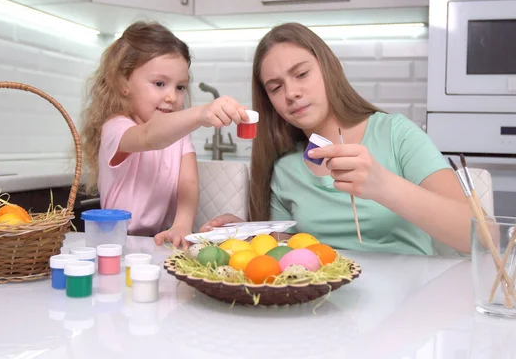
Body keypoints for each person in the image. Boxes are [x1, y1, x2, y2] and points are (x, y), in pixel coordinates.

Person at [201, 22, 471, 255]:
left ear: (328, 69)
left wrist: (384, 185)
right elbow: (286, 253)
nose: (291, 92)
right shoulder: (286, 170)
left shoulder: (395, 134)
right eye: (276, 87)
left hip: (411, 301)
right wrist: (251, 236)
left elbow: (478, 236)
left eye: (302, 74)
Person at [80, 21, 248, 249]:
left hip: (161, 240)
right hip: (118, 241)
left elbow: (188, 183)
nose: (172, 96)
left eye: (180, 87)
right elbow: (150, 136)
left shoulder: (179, 135)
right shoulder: (116, 128)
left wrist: (182, 225)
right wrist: (200, 113)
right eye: (160, 84)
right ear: (123, 83)